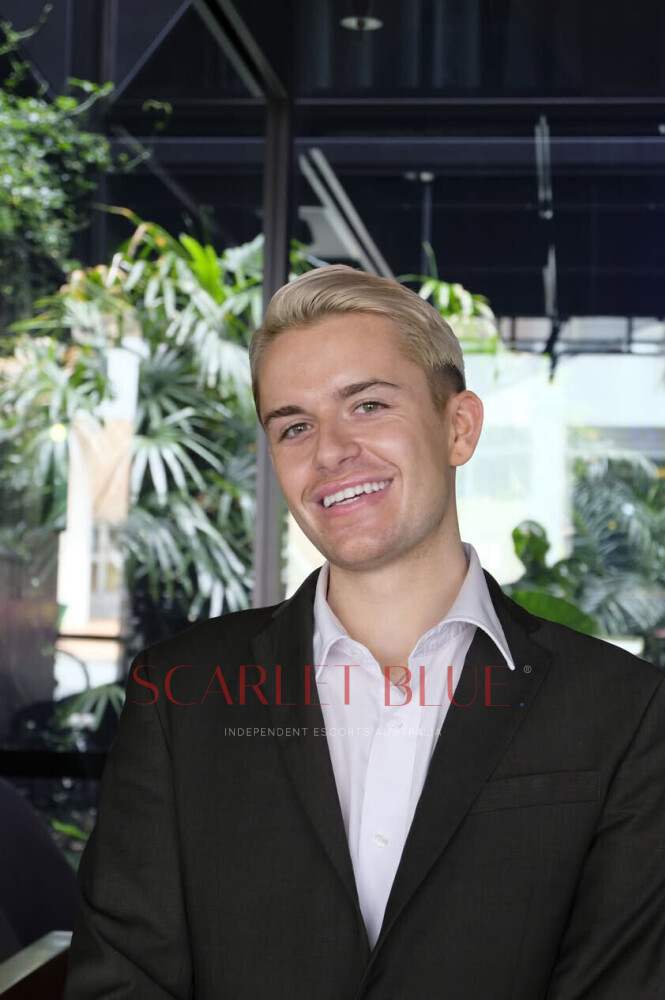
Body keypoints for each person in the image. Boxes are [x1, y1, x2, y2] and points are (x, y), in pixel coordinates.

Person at [64, 265, 665, 999]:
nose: (329, 452)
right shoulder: (179, 695)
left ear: (458, 427)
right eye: (294, 426)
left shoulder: (622, 709)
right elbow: (120, 982)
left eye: (368, 405)